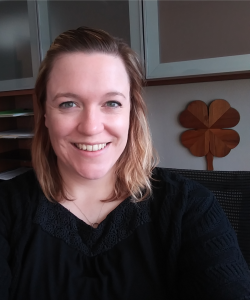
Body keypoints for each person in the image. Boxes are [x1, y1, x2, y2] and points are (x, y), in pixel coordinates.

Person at [0, 27, 250, 300]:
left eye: (112, 103)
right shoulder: (7, 209)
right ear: (45, 114)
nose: (91, 127)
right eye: (69, 104)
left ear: (132, 113)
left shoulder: (190, 207)